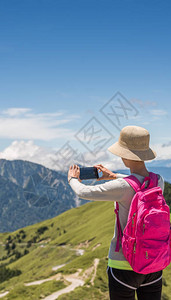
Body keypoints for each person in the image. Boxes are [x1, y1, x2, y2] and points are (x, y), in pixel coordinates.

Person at [67, 125, 165, 300]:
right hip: (153, 262)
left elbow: (83, 192)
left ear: (125, 156)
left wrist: (73, 178)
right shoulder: (159, 181)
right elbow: (138, 183)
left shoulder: (122, 187)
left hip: (123, 265)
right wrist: (113, 176)